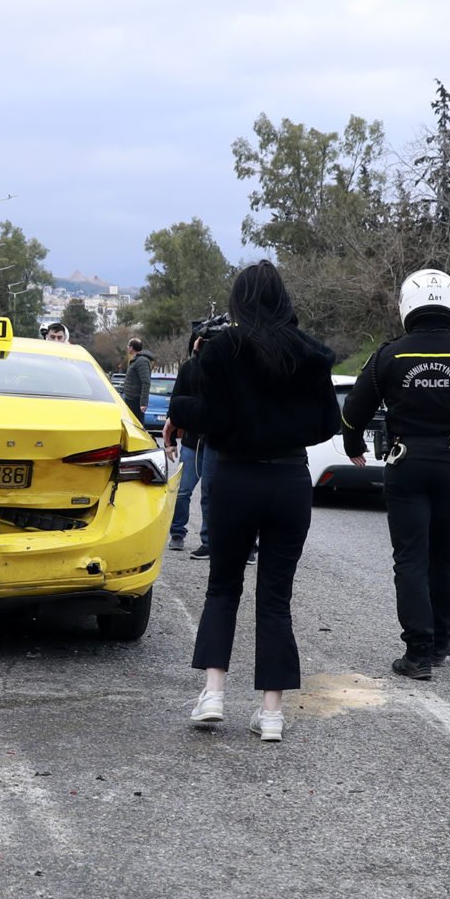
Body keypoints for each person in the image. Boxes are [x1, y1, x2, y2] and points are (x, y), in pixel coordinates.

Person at [167, 263, 340, 743]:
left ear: (239, 300)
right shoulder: (310, 354)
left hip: (235, 478)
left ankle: (213, 694)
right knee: (276, 597)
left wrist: (179, 410)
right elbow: (328, 423)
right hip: (288, 479)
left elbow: (213, 417)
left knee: (223, 587)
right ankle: (271, 714)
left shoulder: (224, 349)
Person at [341, 269, 450, 680]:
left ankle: (417, 652)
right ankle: (440, 640)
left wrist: (354, 446)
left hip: (406, 464)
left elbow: (353, 412)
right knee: (444, 555)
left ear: (407, 307)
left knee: (410, 558)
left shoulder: (390, 355)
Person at [163, 323, 214, 557]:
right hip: (192, 441)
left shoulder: (226, 368)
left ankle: (208, 541)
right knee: (183, 491)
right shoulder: (188, 368)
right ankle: (177, 533)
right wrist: (170, 441)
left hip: (215, 442)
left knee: (210, 494)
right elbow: (177, 401)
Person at [121, 337, 154, 421]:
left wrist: (143, 403)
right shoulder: (135, 360)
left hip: (135, 401)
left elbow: (146, 382)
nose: (127, 348)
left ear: (131, 348)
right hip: (130, 399)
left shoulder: (142, 361)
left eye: (128, 346)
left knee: (137, 424)